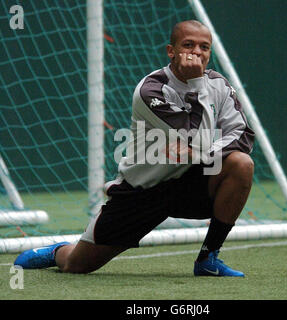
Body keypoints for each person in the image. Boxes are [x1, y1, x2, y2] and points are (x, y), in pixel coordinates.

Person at [14, 20, 255, 277]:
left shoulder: (218, 84)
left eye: (204, 47)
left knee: (241, 164)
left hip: (192, 183)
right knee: (78, 265)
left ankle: (208, 259)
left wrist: (204, 153)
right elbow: (194, 137)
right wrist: (197, 88)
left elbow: (242, 135)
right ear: (170, 51)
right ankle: (59, 251)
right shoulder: (150, 89)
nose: (197, 52)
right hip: (143, 190)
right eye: (188, 45)